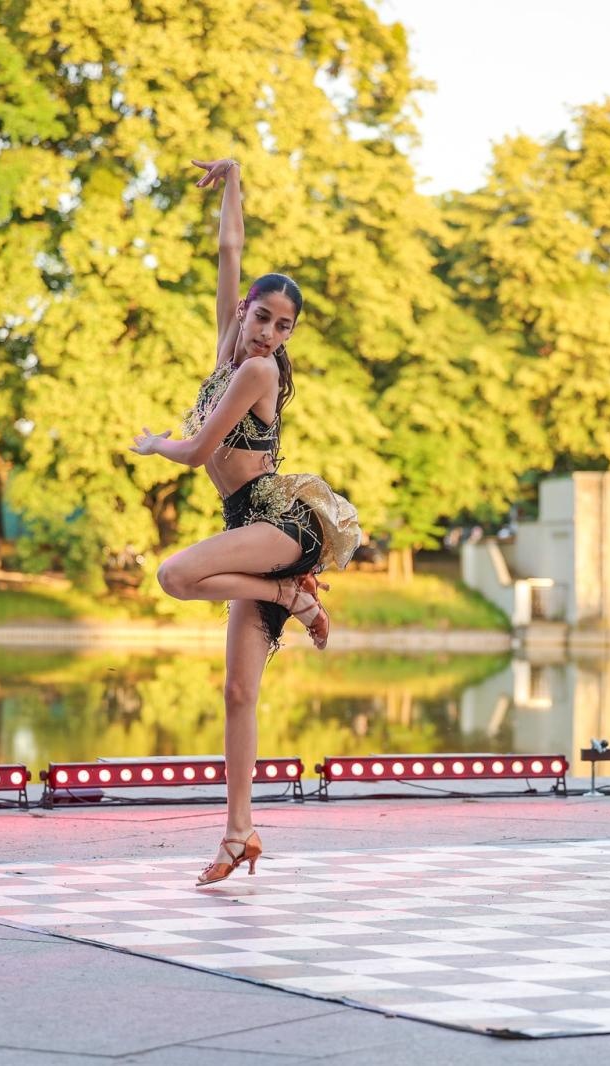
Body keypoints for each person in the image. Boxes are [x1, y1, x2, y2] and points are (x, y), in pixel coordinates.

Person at [129, 156, 359, 887]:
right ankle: (239, 834)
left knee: (172, 574)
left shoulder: (257, 373)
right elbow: (229, 252)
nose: (269, 334)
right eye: (263, 317)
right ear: (243, 313)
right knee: (236, 693)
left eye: (283, 327)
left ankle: (293, 593)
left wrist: (155, 443)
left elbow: (196, 449)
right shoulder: (229, 355)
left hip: (276, 525)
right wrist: (231, 180)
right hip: (246, 525)